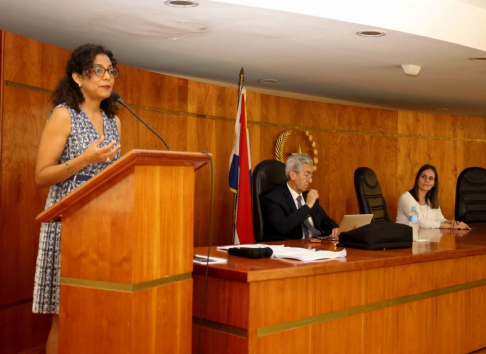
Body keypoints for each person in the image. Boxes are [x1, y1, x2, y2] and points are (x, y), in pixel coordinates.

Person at [33, 44, 122, 354]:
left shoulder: (114, 121)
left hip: (106, 225)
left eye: (111, 70)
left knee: (98, 310)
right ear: (76, 76)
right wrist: (83, 160)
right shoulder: (63, 115)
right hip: (67, 223)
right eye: (98, 70)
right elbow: (41, 175)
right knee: (65, 315)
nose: (107, 76)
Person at [262, 154, 339, 240]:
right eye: (306, 175)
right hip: (293, 247)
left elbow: (325, 220)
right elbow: (282, 227)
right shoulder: (274, 198)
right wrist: (307, 206)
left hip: (317, 244)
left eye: (311, 176)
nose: (310, 180)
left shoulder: (308, 195)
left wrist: (335, 228)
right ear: (293, 175)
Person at [396, 164, 470, 229]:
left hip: (426, 240)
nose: (427, 180)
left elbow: (439, 219)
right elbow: (419, 222)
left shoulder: (431, 200)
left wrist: (450, 222)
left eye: (431, 178)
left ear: (434, 183)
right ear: (417, 179)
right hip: (406, 241)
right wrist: (451, 226)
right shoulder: (406, 198)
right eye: (423, 177)